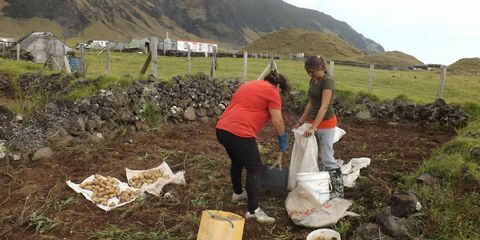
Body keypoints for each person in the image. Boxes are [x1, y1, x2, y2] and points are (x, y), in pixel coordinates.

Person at [216, 71, 289, 223]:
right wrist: (283, 140)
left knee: (237, 161)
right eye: (281, 91)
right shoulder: (273, 92)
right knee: (255, 168)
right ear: (278, 86)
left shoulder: (248, 84)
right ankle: (253, 210)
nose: (279, 94)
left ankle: (237, 192)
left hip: (222, 129)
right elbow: (277, 121)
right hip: (240, 132)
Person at [293, 55, 344, 198]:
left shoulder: (328, 82)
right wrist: (300, 122)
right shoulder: (313, 80)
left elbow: (324, 107)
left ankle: (338, 192)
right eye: (308, 71)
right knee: (317, 156)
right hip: (313, 122)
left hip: (326, 123)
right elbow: (310, 103)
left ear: (321, 68)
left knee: (327, 156)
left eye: (313, 71)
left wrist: (313, 127)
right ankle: (323, 186)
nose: (310, 74)